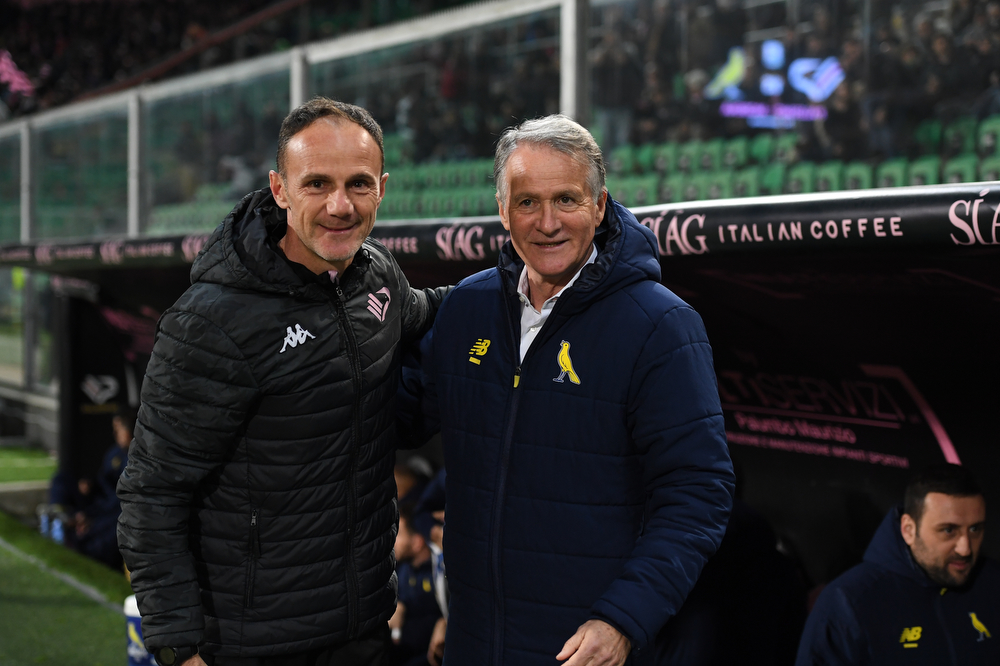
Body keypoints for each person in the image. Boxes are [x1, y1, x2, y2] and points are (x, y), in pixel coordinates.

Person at [117, 97, 448, 666]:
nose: (340, 205)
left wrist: (523, 284)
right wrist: (178, 648)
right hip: (250, 643)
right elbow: (152, 491)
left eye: (358, 184)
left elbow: (433, 312)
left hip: (363, 625)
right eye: (317, 184)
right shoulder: (211, 321)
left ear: (382, 189)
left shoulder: (378, 275)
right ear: (279, 190)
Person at [419, 115, 734, 665]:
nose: (548, 223)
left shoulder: (660, 326)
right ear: (502, 210)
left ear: (600, 205)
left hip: (585, 651)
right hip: (473, 645)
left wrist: (623, 618)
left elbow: (698, 492)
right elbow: (391, 413)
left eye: (566, 199)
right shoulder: (467, 307)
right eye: (527, 202)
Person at [795, 463, 999, 665]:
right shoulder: (849, 602)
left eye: (975, 529)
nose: (965, 548)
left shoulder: (993, 583)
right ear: (908, 529)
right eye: (948, 531)